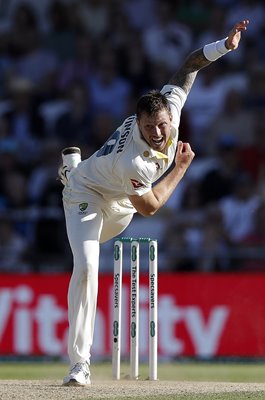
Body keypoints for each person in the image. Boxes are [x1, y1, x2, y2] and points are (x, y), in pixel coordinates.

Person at [59, 20, 249, 386]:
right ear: (140, 124)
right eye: (149, 128)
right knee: (85, 267)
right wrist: (180, 168)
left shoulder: (169, 109)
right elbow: (150, 206)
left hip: (120, 207)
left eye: (161, 124)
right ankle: (79, 364)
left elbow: (189, 64)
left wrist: (225, 46)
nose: (158, 133)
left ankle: (73, 169)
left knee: (107, 231)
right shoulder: (135, 161)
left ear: (166, 114)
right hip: (89, 196)